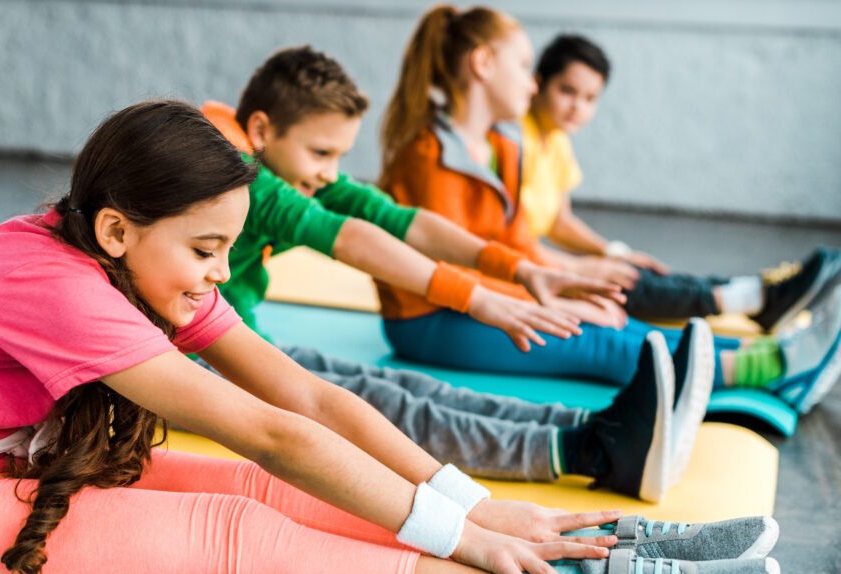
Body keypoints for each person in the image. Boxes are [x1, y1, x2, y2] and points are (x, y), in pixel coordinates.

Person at [0, 102, 780, 574]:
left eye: (227, 247)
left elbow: (308, 401)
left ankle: (566, 543)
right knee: (233, 534)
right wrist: (457, 536)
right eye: (205, 250)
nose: (217, 273)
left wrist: (484, 513)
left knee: (257, 492)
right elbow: (267, 431)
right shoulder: (58, 288)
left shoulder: (131, 258)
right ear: (117, 229)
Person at [200, 45, 712, 501]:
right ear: (264, 130)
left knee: (397, 385)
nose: (331, 173)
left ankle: (602, 427)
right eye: (321, 153)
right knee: (380, 406)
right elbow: (347, 237)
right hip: (194, 363)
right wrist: (474, 297)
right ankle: (588, 452)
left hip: (230, 339)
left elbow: (399, 221)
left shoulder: (288, 168)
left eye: (338, 156)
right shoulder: (238, 179)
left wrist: (520, 269)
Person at [377, 4, 841, 417]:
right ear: (483, 64)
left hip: (485, 299)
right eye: (523, 65)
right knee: (594, 339)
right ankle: (771, 370)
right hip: (430, 318)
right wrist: (546, 301)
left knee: (622, 321)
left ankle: (772, 354)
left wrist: (567, 284)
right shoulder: (428, 157)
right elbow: (446, 269)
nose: (532, 79)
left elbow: (515, 242)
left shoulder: (501, 146)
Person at [519, 33, 841, 330]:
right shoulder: (517, 139)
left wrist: (613, 252)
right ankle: (752, 298)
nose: (578, 107)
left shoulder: (557, 141)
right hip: (522, 267)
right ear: (538, 83)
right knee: (620, 282)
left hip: (536, 259)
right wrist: (581, 266)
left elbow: (559, 221)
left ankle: (752, 292)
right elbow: (504, 237)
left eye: (590, 98)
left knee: (635, 270)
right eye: (567, 91)